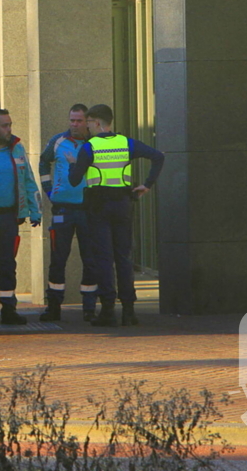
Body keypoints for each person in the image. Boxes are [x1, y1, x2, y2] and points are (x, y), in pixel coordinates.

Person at [68, 104, 164, 327]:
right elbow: (158, 157)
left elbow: (74, 180)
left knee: (104, 258)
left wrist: (75, 165)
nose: (88, 127)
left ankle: (108, 310)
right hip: (123, 204)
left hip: (98, 206)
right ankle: (129, 311)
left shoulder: (89, 147)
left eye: (89, 122)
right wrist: (147, 185)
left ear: (98, 123)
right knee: (123, 257)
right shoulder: (127, 143)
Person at [0, 109, 41, 326]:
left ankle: (8, 309)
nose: (9, 129)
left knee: (7, 264)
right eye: (4, 125)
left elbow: (29, 181)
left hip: (9, 215)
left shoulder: (17, 148)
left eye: (10, 124)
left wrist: (35, 210)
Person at [38, 103, 98, 321]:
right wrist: (49, 190)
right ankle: (53, 307)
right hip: (62, 207)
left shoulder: (94, 144)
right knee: (58, 258)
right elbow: (43, 163)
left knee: (90, 258)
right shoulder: (58, 142)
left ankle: (89, 308)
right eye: (71, 120)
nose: (74, 124)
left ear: (88, 122)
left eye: (79, 121)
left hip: (88, 209)